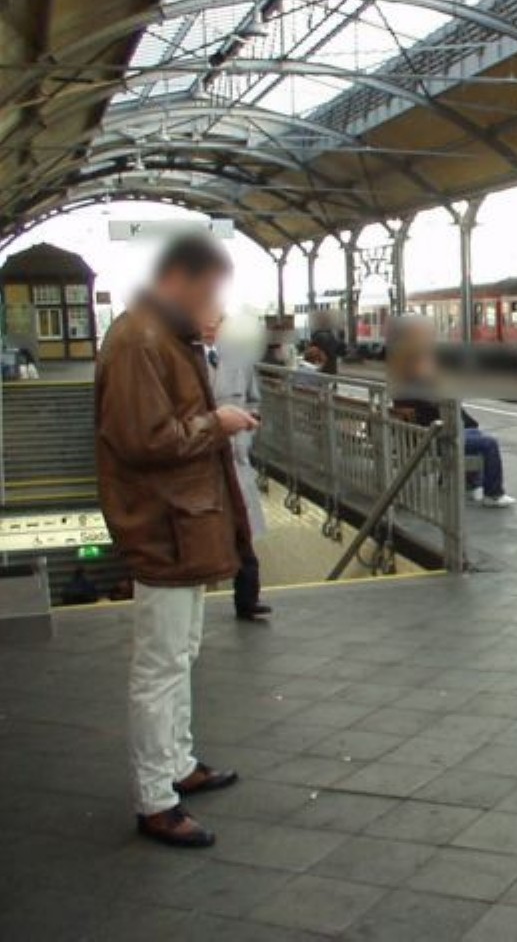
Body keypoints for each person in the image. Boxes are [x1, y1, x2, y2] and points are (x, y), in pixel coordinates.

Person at [95, 234, 256, 848]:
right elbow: (146, 440)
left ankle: (178, 764)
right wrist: (217, 422)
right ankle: (154, 799)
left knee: (180, 654)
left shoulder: (163, 335)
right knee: (159, 666)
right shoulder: (139, 340)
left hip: (183, 522)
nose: (215, 303)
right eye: (210, 290)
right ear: (180, 280)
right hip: (162, 525)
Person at [385, 316, 515, 508]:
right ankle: (494, 494)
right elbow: (440, 405)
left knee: (474, 433)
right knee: (489, 444)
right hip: (431, 439)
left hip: (418, 436)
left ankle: (470, 484)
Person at [205, 316, 272, 622]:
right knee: (204, 536)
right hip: (203, 458)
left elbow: (254, 402)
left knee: (242, 532)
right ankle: (197, 605)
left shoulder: (239, 361)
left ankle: (248, 599)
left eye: (217, 320)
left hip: (236, 458)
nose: (212, 326)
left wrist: (246, 434)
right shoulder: (183, 359)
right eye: (207, 319)